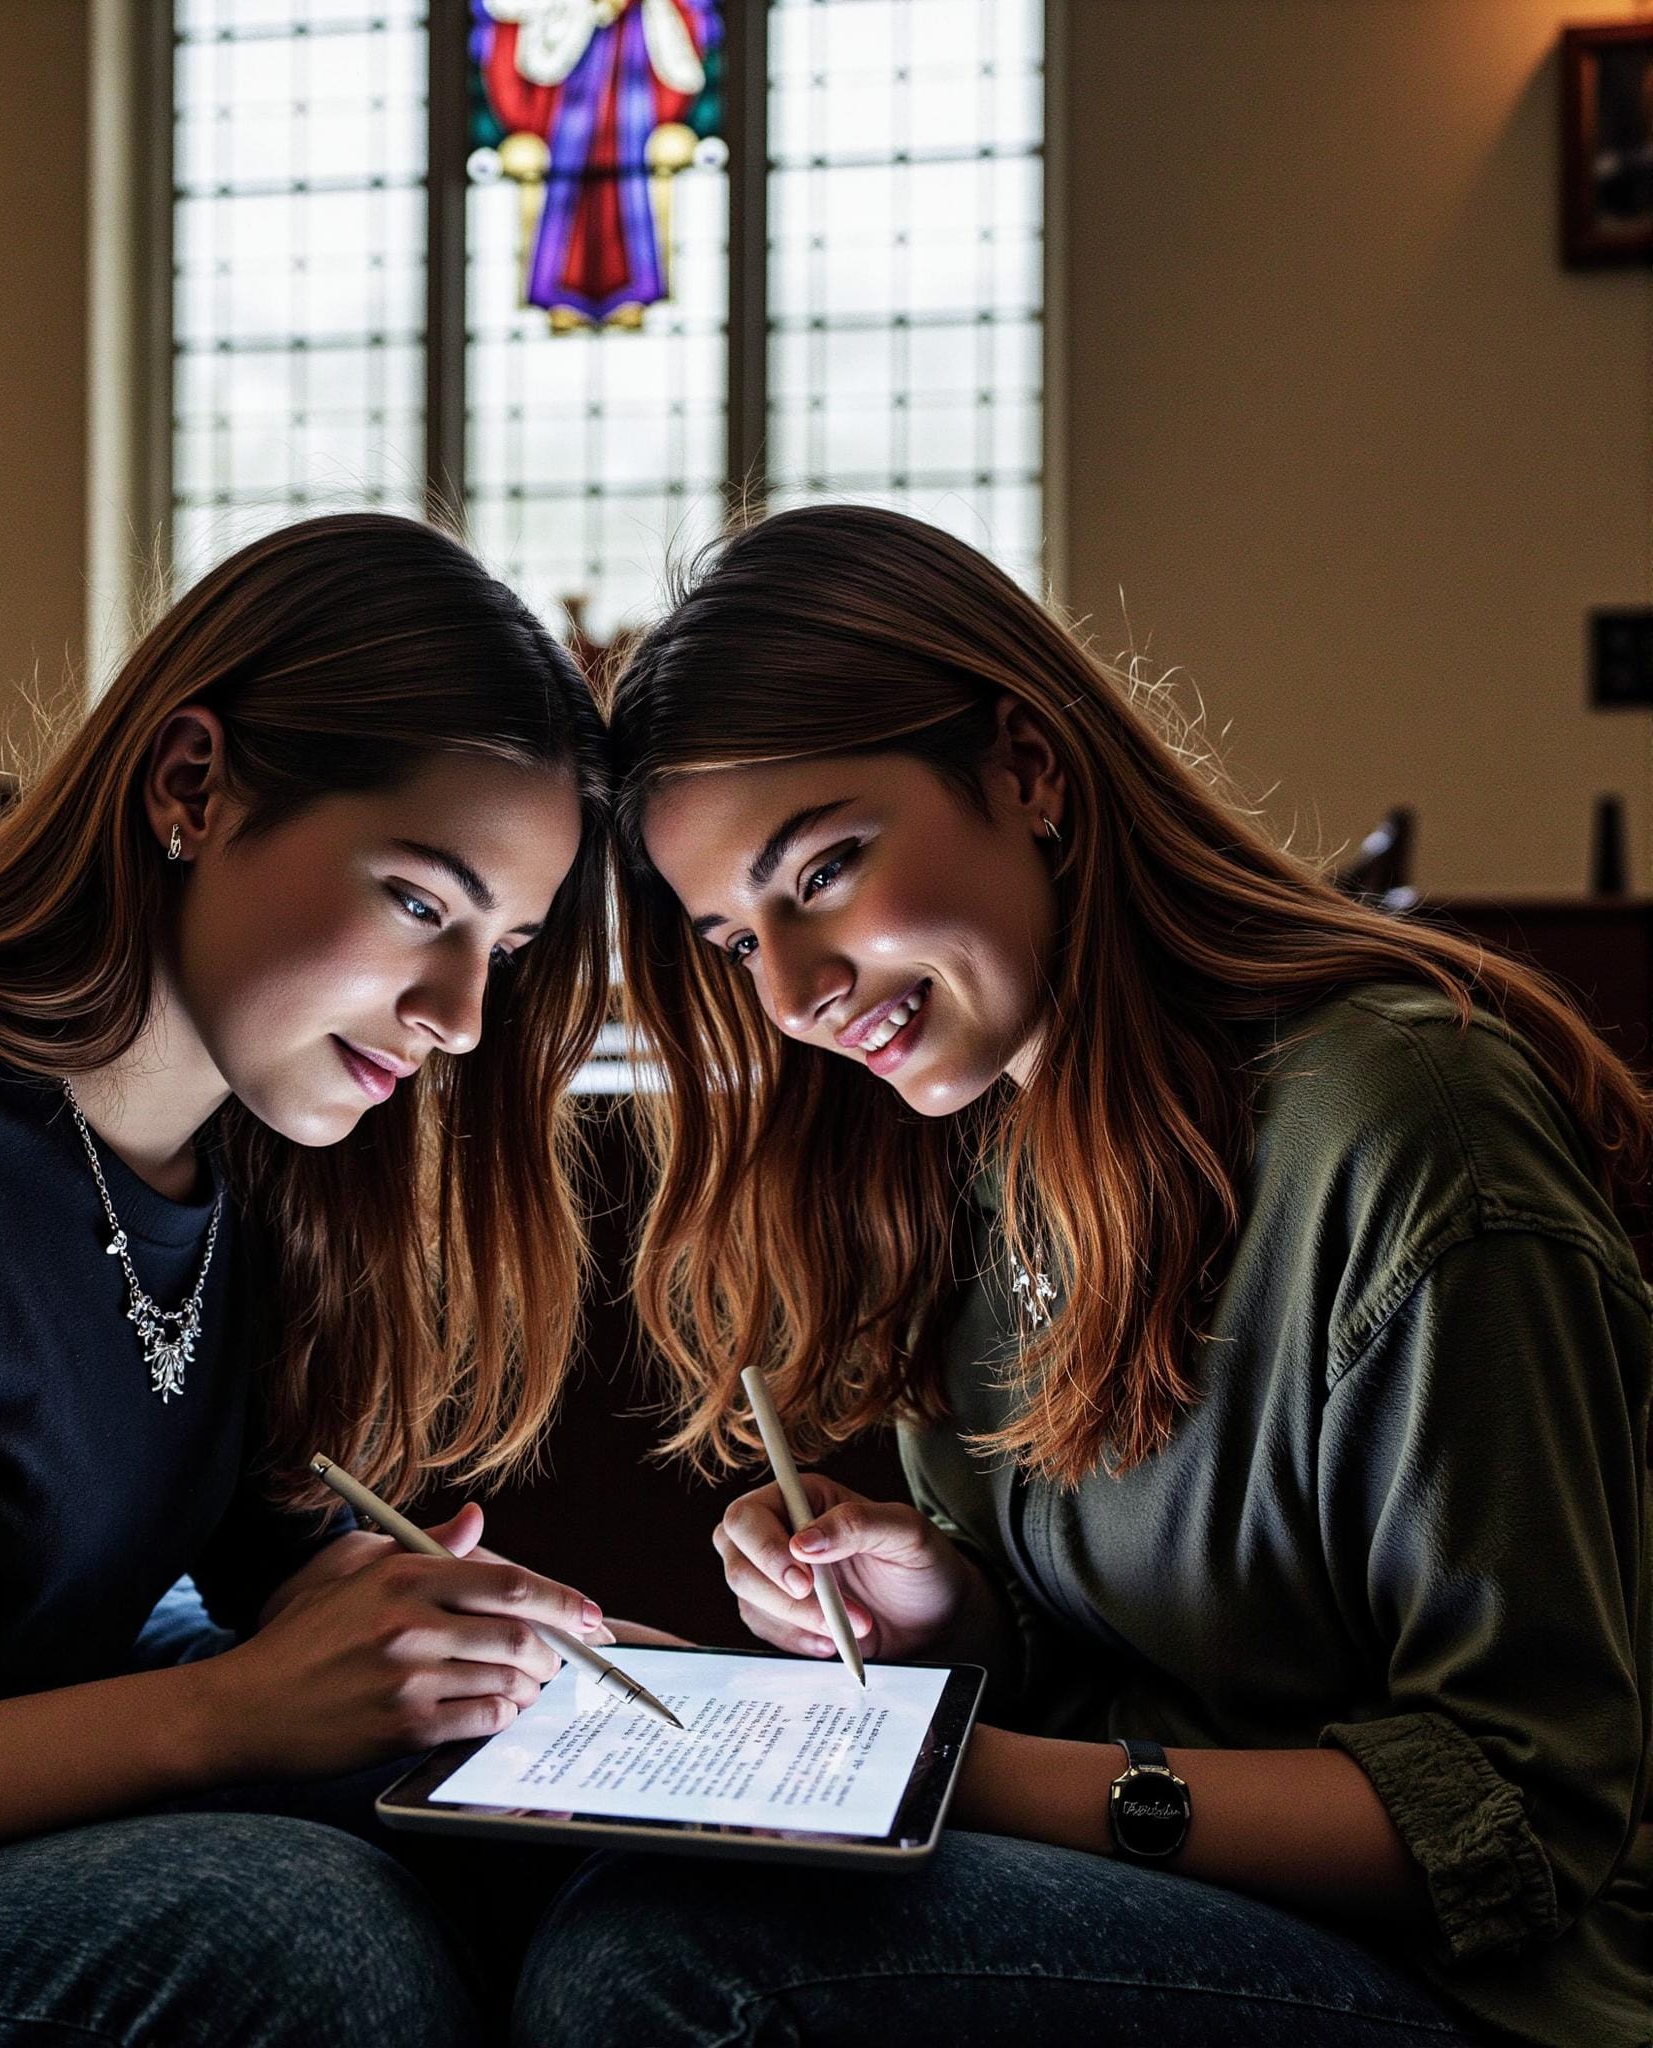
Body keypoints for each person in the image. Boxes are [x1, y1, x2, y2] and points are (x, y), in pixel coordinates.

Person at [515, 505, 1652, 2048]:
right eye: (734, 942)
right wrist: (943, 1615)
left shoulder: (1405, 1129)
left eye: (830, 870)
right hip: (1183, 1906)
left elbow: (1518, 1818)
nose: (791, 994)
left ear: (1029, 772)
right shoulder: (969, 1144)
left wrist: (933, 1766)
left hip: (1491, 1989)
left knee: (676, 1962)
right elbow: (1110, 1661)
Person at [0, 514, 617, 2046]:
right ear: (190, 784)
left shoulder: (264, 1150)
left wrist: (507, 1645)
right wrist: (220, 1716)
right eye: (420, 903)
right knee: (300, 1940)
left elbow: (290, 1578)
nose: (463, 1016)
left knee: (570, 1867)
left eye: (507, 945)